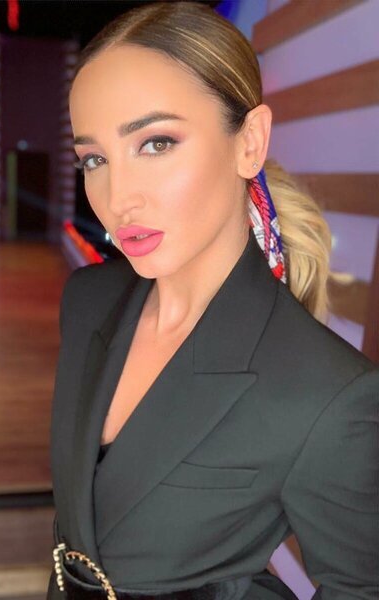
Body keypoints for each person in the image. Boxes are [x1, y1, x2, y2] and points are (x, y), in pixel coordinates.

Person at [47, 2, 379, 599]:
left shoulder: (330, 394)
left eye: (156, 143)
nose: (118, 198)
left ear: (249, 142)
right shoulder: (88, 300)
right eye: (94, 158)